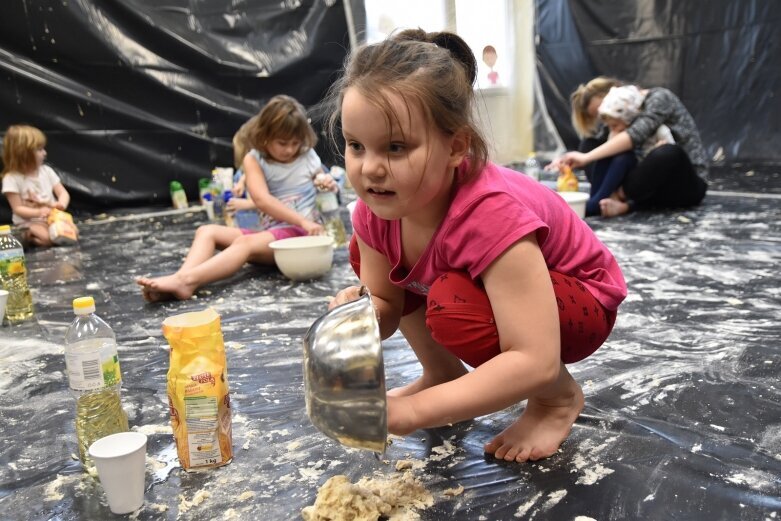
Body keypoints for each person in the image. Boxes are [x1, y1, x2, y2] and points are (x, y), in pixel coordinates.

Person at [323, 29, 627, 463]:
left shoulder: (487, 213)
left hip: (579, 305)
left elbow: (534, 357)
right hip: (515, 295)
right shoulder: (374, 213)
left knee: (454, 302)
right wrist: (359, 318)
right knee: (376, 257)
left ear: (456, 147)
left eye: (395, 148)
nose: (370, 168)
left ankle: (555, 400)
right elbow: (388, 303)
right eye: (355, 146)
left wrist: (412, 411)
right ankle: (440, 373)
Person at [137, 95, 335, 301]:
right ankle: (183, 279)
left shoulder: (307, 155)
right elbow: (262, 200)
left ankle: (185, 281)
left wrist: (326, 183)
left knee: (245, 243)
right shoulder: (254, 159)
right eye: (282, 143)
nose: (290, 149)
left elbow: (322, 179)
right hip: (274, 232)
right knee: (207, 231)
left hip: (303, 234)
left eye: (295, 143)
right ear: (265, 136)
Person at [553, 77, 708, 218]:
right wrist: (568, 160)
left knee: (666, 153)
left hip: (679, 183)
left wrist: (586, 158)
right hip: (639, 181)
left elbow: (635, 135)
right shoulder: (616, 119)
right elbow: (600, 145)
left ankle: (621, 201)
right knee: (590, 144)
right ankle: (611, 198)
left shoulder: (659, 98)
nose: (606, 122)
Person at [580, 85, 676, 217]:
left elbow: (671, 149)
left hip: (644, 172)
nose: (613, 129)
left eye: (615, 125)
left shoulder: (656, 130)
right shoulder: (616, 131)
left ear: (629, 120)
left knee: (623, 158)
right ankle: (597, 196)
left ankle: (597, 203)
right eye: (610, 126)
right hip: (628, 175)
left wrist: (661, 146)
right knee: (605, 155)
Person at [1, 124, 78, 247]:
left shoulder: (46, 171)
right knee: (47, 239)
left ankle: (44, 237)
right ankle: (28, 236)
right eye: (39, 149)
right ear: (23, 153)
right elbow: (18, 209)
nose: (45, 153)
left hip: (52, 218)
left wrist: (61, 204)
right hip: (29, 222)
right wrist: (38, 212)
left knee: (73, 233)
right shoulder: (12, 178)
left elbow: (63, 193)